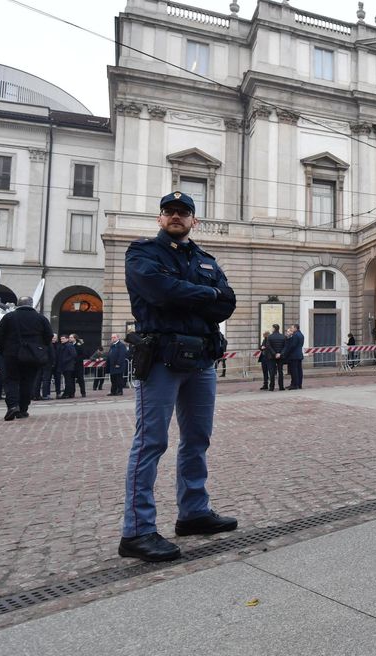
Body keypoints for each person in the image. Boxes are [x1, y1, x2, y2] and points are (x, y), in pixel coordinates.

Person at [119, 190, 237, 563]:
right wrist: (207, 294)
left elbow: (228, 302)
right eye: (169, 212)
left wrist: (190, 295)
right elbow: (158, 292)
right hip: (160, 359)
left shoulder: (205, 259)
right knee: (151, 442)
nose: (176, 217)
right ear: (160, 219)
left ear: (193, 221)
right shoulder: (142, 253)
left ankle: (193, 513)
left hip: (201, 360)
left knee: (197, 439)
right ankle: (137, 531)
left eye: (183, 213)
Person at [0, 296, 52, 421]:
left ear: (17, 304)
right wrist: (40, 348)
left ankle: (12, 406)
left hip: (12, 354)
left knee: (11, 381)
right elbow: (49, 335)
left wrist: (3, 350)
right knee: (28, 382)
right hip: (33, 355)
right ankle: (23, 409)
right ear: (31, 304)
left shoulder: (9, 317)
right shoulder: (40, 318)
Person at [264, 324, 286, 390]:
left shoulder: (270, 337)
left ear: (274, 329)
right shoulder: (283, 336)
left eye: (272, 328)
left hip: (271, 357)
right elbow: (285, 347)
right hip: (280, 357)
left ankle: (271, 387)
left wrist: (274, 354)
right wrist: (280, 354)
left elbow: (268, 346)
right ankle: (281, 387)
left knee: (272, 372)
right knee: (280, 371)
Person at [283, 324, 305, 389]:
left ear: (295, 328)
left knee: (294, 371)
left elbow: (292, 345)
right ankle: (299, 384)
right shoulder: (301, 335)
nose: (291, 329)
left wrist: (286, 353)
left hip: (294, 355)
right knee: (299, 370)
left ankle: (295, 385)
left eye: (292, 328)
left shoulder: (295, 335)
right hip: (299, 355)